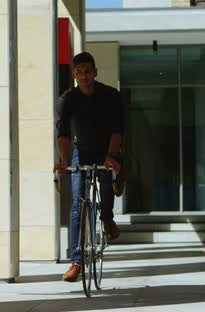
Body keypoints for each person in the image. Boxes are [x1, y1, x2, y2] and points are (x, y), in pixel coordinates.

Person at [53, 52, 123, 282]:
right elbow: (62, 135)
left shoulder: (110, 95)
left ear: (95, 72)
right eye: (79, 72)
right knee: (77, 203)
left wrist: (112, 155)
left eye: (88, 71)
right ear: (74, 74)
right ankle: (76, 262)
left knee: (105, 180)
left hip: (105, 150)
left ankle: (107, 218)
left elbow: (117, 130)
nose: (84, 76)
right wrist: (64, 161)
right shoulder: (67, 99)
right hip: (79, 151)